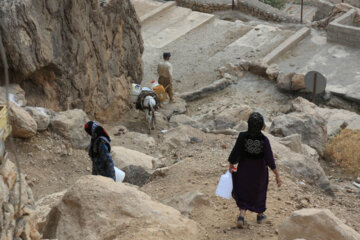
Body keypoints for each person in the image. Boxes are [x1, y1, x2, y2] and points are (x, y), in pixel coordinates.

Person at [228, 112, 281, 228]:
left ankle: (241, 216)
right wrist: (277, 174)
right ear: (261, 125)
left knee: (243, 190)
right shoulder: (264, 140)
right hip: (259, 172)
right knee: (259, 191)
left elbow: (236, 151)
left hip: (244, 169)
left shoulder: (242, 136)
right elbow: (269, 159)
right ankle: (260, 215)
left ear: (249, 124)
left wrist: (231, 164)